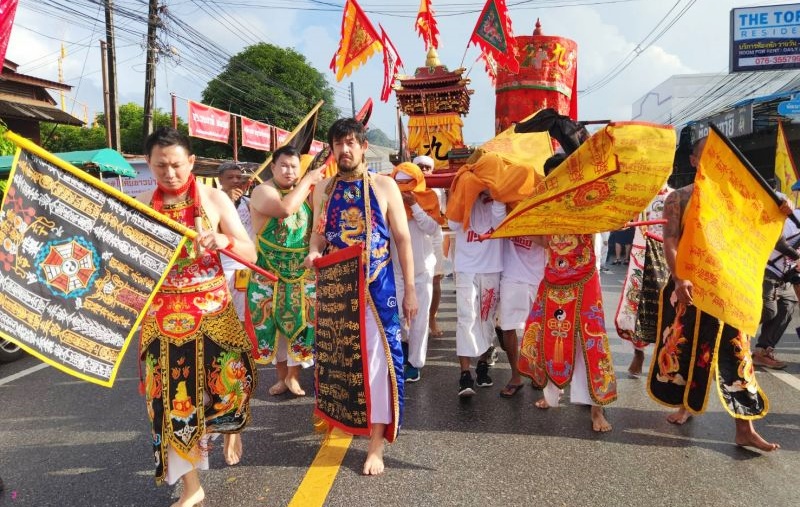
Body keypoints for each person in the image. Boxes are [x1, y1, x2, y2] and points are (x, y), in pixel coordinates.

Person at [137, 127, 258, 506]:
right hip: (162, 319)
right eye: (161, 166)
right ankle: (192, 486)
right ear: (149, 165)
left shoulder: (215, 199)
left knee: (228, 388)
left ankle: (228, 429)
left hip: (211, 311)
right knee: (170, 404)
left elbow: (250, 253)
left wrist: (225, 242)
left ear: (191, 161)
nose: (170, 174)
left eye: (176, 165)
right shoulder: (142, 203)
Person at [649, 137, 780, 451]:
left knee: (737, 355)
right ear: (694, 161)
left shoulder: (736, 201)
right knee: (688, 351)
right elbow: (670, 242)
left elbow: (760, 230)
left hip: (726, 292)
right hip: (690, 289)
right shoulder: (679, 198)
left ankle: (744, 428)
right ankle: (685, 406)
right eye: (706, 155)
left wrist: (781, 209)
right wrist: (679, 279)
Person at [305, 118, 418, 476]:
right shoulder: (323, 188)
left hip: (376, 286)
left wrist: (410, 289)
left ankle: (375, 445)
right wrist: (312, 251)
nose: (345, 149)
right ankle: (346, 418)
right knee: (339, 359)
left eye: (351, 142)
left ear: (364, 146)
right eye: (339, 144)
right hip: (337, 288)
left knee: (379, 364)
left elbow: (402, 239)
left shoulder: (385, 186)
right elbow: (318, 235)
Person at [518, 153, 616, 432]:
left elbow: (607, 222)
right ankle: (551, 395)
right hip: (553, 280)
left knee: (590, 341)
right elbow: (541, 241)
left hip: (584, 279)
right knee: (548, 334)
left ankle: (597, 409)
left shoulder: (588, 197)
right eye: (551, 177)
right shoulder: (544, 202)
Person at [248, 146, 325, 397]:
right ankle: (282, 377)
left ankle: (293, 376)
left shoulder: (307, 192)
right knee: (271, 328)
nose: (289, 171)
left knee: (303, 324)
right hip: (269, 272)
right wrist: (309, 180)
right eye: (283, 165)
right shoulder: (262, 191)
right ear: (272, 167)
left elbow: (317, 227)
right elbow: (284, 209)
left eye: (294, 166)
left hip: (302, 272)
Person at [447, 188, 505, 397]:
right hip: (466, 268)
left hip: (491, 267)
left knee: (486, 318)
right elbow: (453, 224)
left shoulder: (500, 197)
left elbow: (501, 224)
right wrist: (464, 196)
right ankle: (465, 375)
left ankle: (482, 364)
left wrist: (496, 196)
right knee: (466, 317)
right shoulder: (463, 195)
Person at [216, 160, 254, 465]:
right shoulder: (209, 206)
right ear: (220, 181)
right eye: (230, 178)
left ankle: (232, 428)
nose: (236, 182)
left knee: (234, 349)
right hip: (210, 280)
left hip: (243, 275)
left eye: (239, 177)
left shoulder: (252, 204)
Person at [391, 161, 443, 383]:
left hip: (422, 269)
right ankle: (402, 350)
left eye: (407, 182)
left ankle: (415, 363)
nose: (403, 188)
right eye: (399, 183)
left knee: (419, 318)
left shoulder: (428, 197)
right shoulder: (389, 200)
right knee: (399, 315)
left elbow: (433, 228)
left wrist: (414, 206)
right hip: (395, 267)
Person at [497, 235, 545, 398]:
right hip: (511, 274)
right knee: (508, 326)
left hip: (538, 276)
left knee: (540, 328)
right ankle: (516, 376)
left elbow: (547, 242)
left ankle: (537, 369)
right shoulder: (505, 208)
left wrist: (523, 229)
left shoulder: (541, 210)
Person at [753, 205, 800, 369]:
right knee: (768, 310)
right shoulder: (795, 219)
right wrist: (797, 256)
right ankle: (728, 336)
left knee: (787, 305)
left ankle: (762, 352)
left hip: (785, 275)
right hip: (767, 269)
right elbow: (774, 238)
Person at [414, 154, 446, 338]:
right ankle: (417, 319)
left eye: (427, 167)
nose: (424, 170)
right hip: (414, 239)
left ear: (432, 170)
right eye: (421, 167)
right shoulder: (407, 187)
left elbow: (447, 212)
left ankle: (432, 318)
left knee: (435, 281)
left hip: (434, 237)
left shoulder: (438, 189)